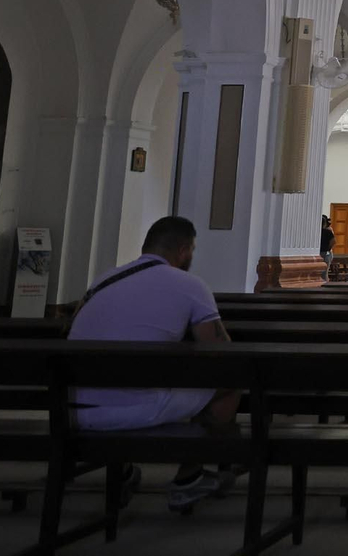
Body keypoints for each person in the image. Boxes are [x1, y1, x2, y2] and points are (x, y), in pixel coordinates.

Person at [68, 216, 240, 510]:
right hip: (129, 410)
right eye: (192, 250)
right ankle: (189, 477)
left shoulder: (104, 280)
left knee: (127, 377)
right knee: (234, 379)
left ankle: (123, 471)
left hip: (72, 410)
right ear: (183, 250)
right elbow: (222, 354)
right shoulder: (190, 285)